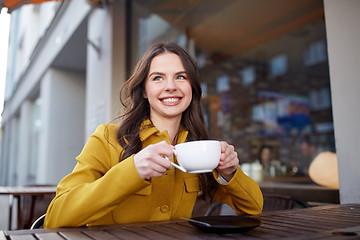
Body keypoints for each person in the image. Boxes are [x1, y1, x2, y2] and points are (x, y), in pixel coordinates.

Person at [44, 42, 263, 228]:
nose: (170, 87)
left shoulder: (197, 148)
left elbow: (253, 208)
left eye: (180, 77)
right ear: (144, 90)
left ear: (192, 88)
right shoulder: (108, 138)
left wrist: (230, 174)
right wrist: (133, 170)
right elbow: (55, 217)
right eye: (158, 78)